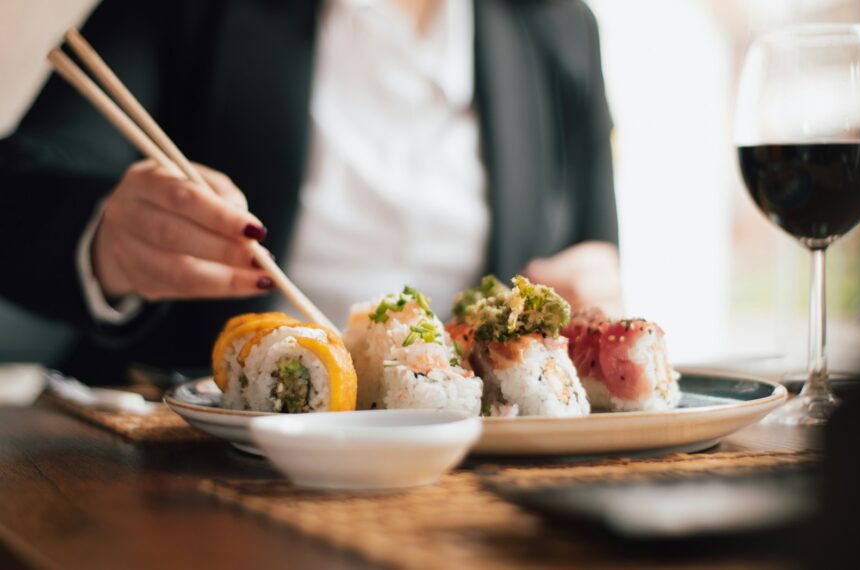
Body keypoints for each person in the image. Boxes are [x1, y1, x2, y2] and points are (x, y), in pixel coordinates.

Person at [0, 0, 621, 383]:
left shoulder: (559, 27)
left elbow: (596, 256)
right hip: (201, 462)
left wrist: (591, 284)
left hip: (475, 466)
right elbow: (20, 187)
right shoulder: (186, 7)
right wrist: (111, 240)